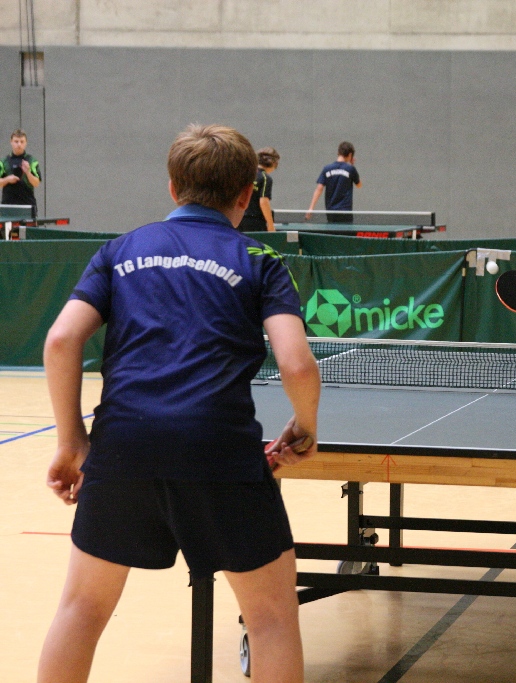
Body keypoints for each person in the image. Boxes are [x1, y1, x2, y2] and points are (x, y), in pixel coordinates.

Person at [38, 124, 321, 682]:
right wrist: (305, 427)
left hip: (123, 447)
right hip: (219, 450)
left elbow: (61, 340)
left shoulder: (120, 250)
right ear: (246, 195)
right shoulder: (259, 258)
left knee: (82, 608)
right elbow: (297, 365)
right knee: (271, 619)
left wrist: (72, 441)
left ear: (172, 187)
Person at [307, 141, 361, 222]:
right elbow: (359, 185)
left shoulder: (327, 168)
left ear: (338, 153)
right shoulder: (350, 169)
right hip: (345, 211)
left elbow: (319, 189)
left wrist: (311, 208)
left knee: (332, 229)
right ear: (350, 155)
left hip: (331, 211)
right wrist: (352, 165)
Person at [0, 129, 42, 216]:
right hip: (8, 207)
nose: (19, 144)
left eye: (22, 142)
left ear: (26, 143)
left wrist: (28, 172)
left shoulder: (32, 161)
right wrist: (7, 179)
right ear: (11, 142)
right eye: (16, 141)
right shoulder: (3, 162)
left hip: (27, 206)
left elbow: (36, 183)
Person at [239, 147, 280, 232]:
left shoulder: (245, 174)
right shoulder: (265, 178)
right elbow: (264, 202)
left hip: (239, 218)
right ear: (274, 163)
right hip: (256, 221)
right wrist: (270, 225)